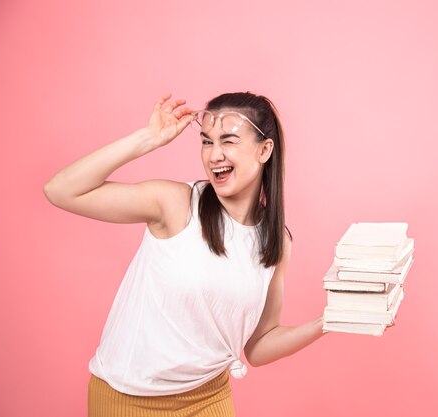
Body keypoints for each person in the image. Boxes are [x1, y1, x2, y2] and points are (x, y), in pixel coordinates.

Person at [43, 92, 326, 416]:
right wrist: (147, 139)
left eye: (229, 141)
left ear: (265, 150)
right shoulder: (176, 203)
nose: (214, 155)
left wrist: (328, 321)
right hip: (128, 400)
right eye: (207, 142)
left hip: (209, 399)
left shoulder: (275, 242)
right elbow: (61, 190)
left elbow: (260, 346)